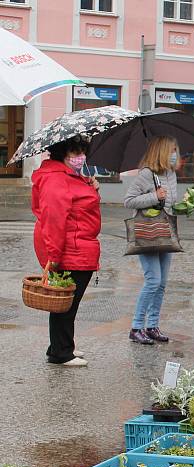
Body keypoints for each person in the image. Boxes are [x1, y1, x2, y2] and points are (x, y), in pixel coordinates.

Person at [31, 135, 99, 367]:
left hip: (79, 246)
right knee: (65, 305)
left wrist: (90, 186)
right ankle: (60, 352)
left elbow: (81, 207)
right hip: (71, 249)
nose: (80, 157)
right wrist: (54, 256)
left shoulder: (70, 177)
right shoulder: (56, 179)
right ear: (62, 153)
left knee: (69, 304)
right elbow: (54, 219)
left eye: (82, 151)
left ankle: (62, 345)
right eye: (74, 152)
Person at [124, 136, 180, 345]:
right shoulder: (147, 174)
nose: (175, 154)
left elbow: (170, 203)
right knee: (153, 280)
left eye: (176, 149)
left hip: (166, 231)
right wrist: (154, 197)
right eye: (172, 150)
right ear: (162, 151)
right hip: (148, 231)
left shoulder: (171, 173)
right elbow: (128, 201)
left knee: (162, 283)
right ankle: (136, 327)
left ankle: (152, 325)